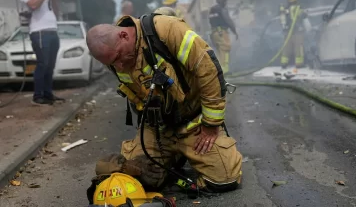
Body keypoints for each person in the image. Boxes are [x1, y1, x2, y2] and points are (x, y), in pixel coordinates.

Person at [86, 14, 242, 193]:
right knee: (135, 178)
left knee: (224, 180)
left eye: (118, 57)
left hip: (194, 123)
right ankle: (173, 158)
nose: (119, 66)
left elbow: (208, 70)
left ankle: (180, 154)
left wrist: (211, 124)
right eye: (112, 63)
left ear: (124, 35)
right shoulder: (115, 58)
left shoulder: (166, 29)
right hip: (158, 128)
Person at [20, 0, 64, 105]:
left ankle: (48, 93)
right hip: (39, 32)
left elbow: (55, 12)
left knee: (50, 65)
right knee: (42, 63)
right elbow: (33, 5)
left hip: (52, 31)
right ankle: (37, 95)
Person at [208, 0, 238, 75]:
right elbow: (228, 20)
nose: (226, 3)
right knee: (225, 49)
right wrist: (234, 31)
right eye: (225, 1)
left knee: (219, 51)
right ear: (223, 1)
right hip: (222, 32)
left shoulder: (212, 9)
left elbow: (211, 22)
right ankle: (225, 70)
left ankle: (219, 70)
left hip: (214, 33)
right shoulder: (222, 9)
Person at [279, 0, 307, 70]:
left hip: (288, 32)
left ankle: (284, 63)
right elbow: (304, 16)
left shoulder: (285, 9)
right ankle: (299, 64)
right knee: (298, 48)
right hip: (297, 31)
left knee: (286, 48)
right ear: (296, 0)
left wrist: (285, 27)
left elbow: (282, 20)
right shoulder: (298, 8)